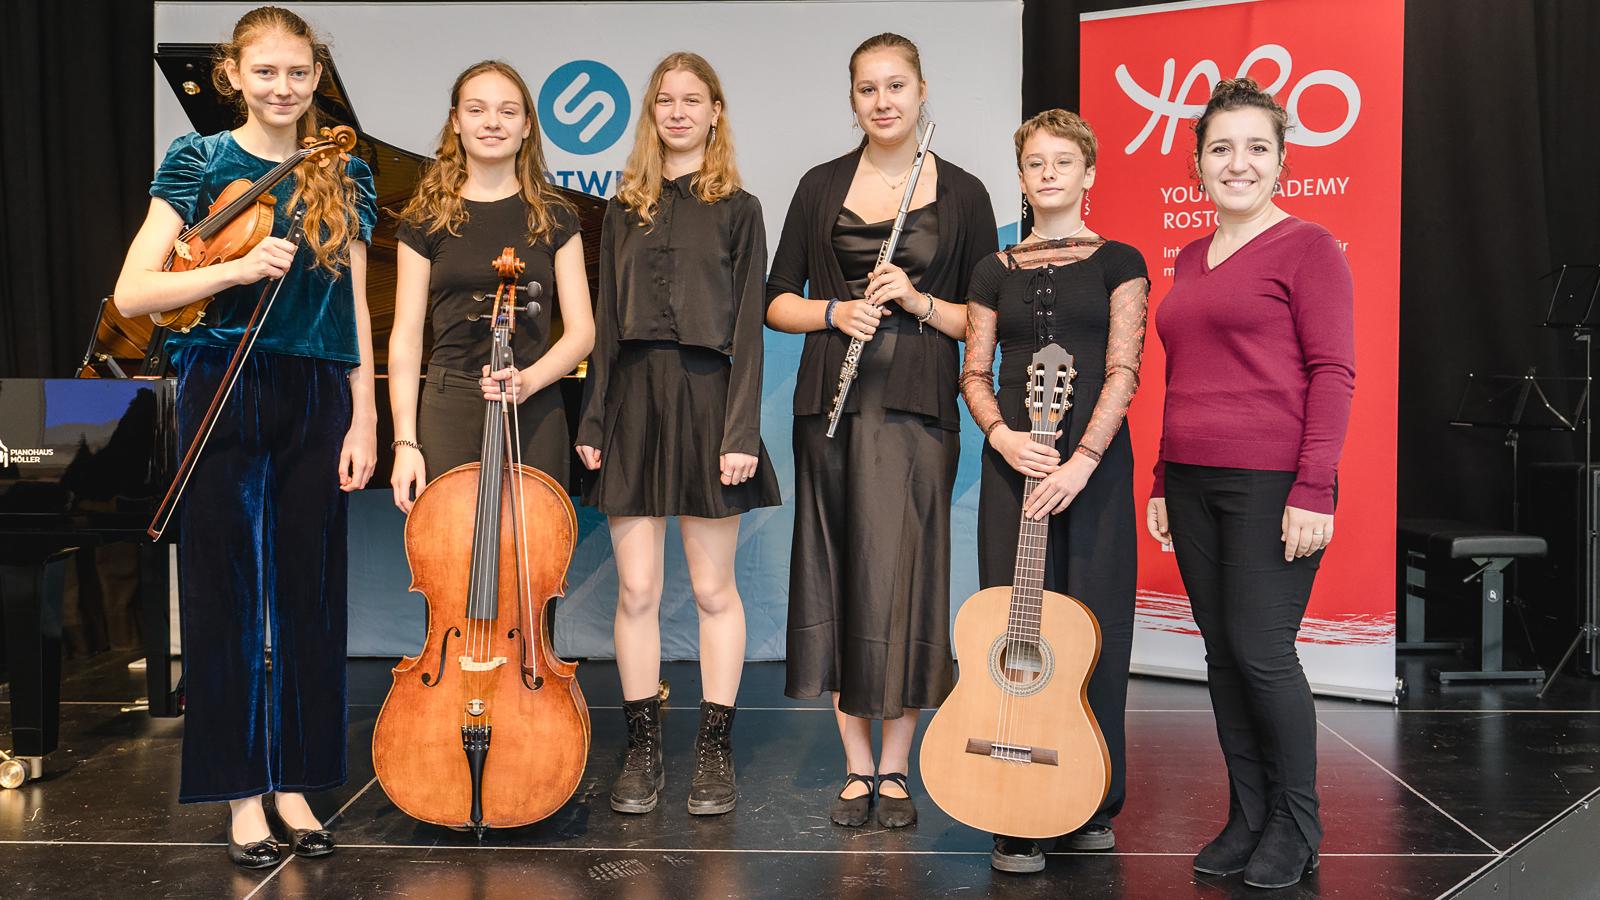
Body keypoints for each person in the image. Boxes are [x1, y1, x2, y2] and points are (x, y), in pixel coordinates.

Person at [112, 5, 378, 869]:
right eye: (266, 72)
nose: (283, 87)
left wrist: (366, 412)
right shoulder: (199, 160)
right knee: (226, 591)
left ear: (316, 75)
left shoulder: (347, 171)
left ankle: (296, 781)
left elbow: (358, 306)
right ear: (233, 74)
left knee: (311, 588)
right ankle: (239, 793)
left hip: (314, 386)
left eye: (298, 72)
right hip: (219, 379)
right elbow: (132, 294)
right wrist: (231, 267)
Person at [767, 32, 996, 829]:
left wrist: (915, 299)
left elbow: (981, 319)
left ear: (922, 89)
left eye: (896, 86)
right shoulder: (820, 184)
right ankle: (856, 767)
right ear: (853, 98)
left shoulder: (963, 194)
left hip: (918, 407)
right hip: (831, 407)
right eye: (868, 88)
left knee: (906, 579)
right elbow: (775, 300)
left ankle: (896, 768)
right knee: (838, 573)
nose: (883, 101)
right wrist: (836, 310)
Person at [1146, 77, 1355, 890]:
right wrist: (1164, 476)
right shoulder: (1192, 256)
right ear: (1199, 163)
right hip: (1194, 479)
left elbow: (1333, 373)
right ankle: (1249, 814)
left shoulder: (1310, 248)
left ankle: (1297, 827)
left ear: (1281, 161)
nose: (1240, 162)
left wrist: (1315, 488)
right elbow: (1185, 375)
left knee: (1264, 654)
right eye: (1222, 148)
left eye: (1257, 148)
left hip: (1273, 483)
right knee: (1224, 659)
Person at [574, 51, 779, 818]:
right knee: (636, 590)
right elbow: (602, 323)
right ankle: (643, 748)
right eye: (666, 100)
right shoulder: (623, 208)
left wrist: (740, 433)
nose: (680, 111)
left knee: (709, 589)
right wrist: (593, 418)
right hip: (630, 404)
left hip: (708, 403)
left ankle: (715, 752)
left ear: (716, 111)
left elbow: (750, 334)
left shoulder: (741, 208)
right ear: (652, 113)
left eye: (694, 99)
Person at [960, 109, 1148, 872]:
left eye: (1063, 162)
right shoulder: (990, 269)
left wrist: (1082, 461)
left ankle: (1093, 797)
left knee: (1095, 630)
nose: (1049, 174)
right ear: (1023, 176)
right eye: (1035, 163)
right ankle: (1014, 805)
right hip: (1012, 464)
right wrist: (1002, 438)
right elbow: (974, 371)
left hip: (1092, 469)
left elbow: (1124, 370)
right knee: (1015, 629)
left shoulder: (1121, 261)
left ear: (1089, 173)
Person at [389, 60, 592, 511]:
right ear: (456, 123)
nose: (493, 123)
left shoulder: (555, 216)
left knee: (533, 568)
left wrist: (530, 381)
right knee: (452, 564)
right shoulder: (425, 220)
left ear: (526, 127)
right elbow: (404, 337)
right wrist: (406, 442)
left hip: (534, 405)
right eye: (477, 110)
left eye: (507, 111)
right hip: (448, 407)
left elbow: (582, 332)